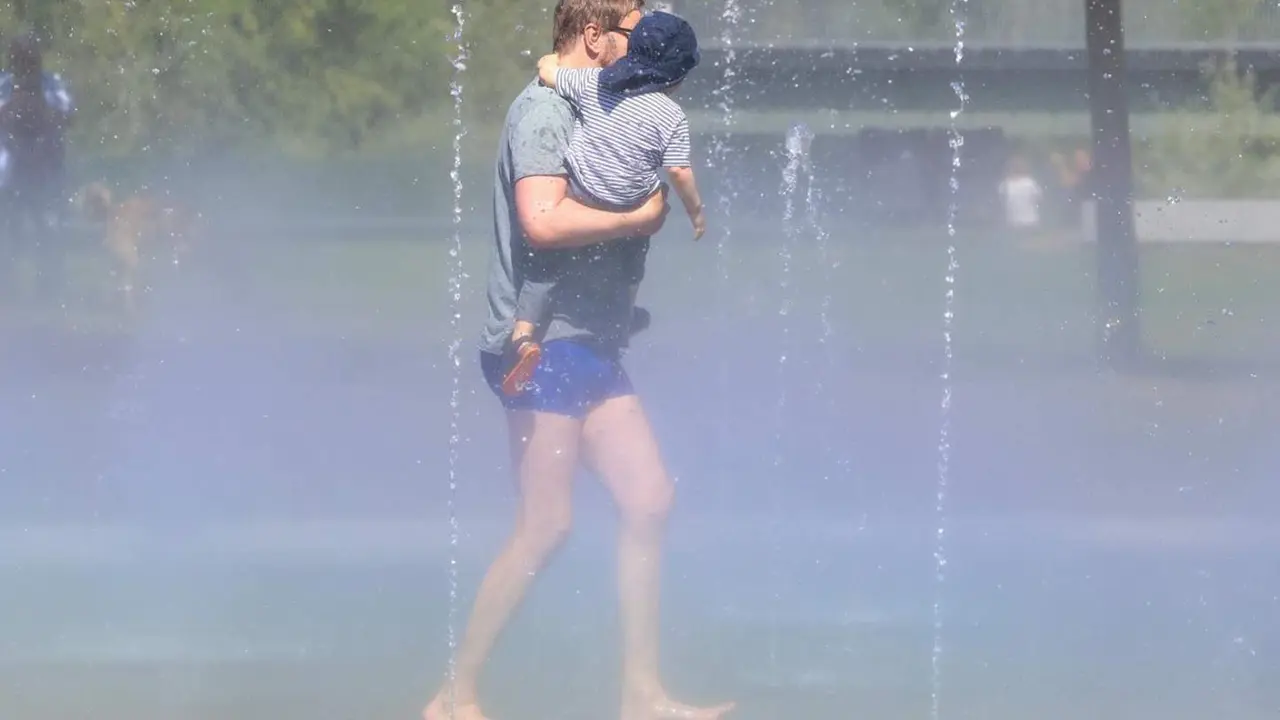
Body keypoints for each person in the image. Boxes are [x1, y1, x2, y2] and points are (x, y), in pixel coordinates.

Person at [422, 2, 735, 720]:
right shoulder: (545, 112)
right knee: (547, 524)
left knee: (649, 499)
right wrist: (637, 219)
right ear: (594, 35)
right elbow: (542, 219)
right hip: (540, 344)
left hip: (588, 339)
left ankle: (641, 695)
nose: (644, 41)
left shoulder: (608, 101)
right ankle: (454, 693)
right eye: (633, 29)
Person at [501, 11, 706, 395]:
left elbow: (551, 73)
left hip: (584, 192)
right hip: (629, 203)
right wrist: (693, 211)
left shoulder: (595, 84)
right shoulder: (671, 115)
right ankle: (625, 314)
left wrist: (548, 62)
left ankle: (523, 334)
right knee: (634, 254)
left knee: (544, 271)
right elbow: (679, 171)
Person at [0, 31, 74, 300]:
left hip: (45, 166)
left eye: (29, 55)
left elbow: (68, 113)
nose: (25, 60)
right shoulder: (3, 83)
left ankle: (50, 288)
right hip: (10, 167)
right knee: (9, 229)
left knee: (49, 227)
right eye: (20, 55)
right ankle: (8, 289)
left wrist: (40, 114)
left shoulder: (52, 83)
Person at [998, 155, 1043, 233]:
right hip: (1029, 220)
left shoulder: (1005, 184)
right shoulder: (1030, 183)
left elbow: (1001, 201)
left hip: (1014, 221)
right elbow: (1039, 199)